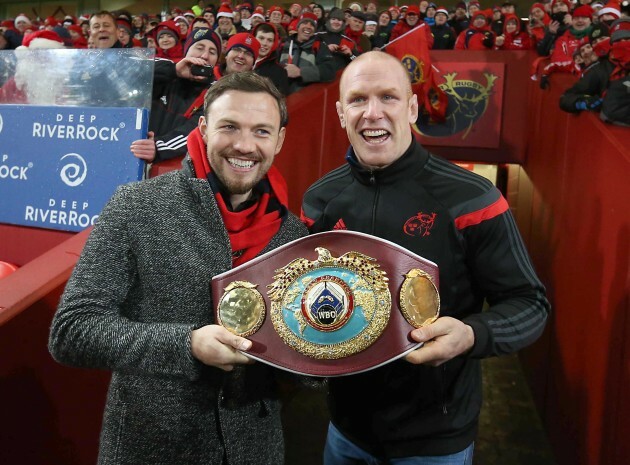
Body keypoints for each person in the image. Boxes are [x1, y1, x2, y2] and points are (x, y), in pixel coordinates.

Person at [301, 51, 549, 465]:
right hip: (345, 430)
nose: (373, 113)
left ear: (412, 108)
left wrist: (470, 334)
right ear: (342, 114)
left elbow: (531, 305)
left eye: (389, 97)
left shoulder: (473, 198)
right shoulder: (319, 198)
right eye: (359, 100)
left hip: (435, 441)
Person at [49, 71, 308, 465]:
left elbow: (297, 352)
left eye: (261, 131)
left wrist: (321, 358)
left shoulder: (291, 232)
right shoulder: (136, 205)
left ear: (280, 140)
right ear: (203, 129)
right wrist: (185, 346)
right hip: (149, 448)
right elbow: (72, 330)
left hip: (255, 449)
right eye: (229, 127)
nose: (244, 145)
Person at [131, 27, 222, 163]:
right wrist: (174, 71)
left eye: (212, 52)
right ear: (187, 50)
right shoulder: (168, 69)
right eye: (199, 47)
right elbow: (129, 71)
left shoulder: (216, 93)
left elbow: (195, 131)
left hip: (170, 167)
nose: (204, 56)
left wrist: (158, 147)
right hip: (133, 152)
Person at [279, 12, 336, 94]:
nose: (308, 27)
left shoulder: (319, 46)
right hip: (281, 96)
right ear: (298, 27)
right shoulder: (284, 45)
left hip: (305, 99)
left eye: (312, 25)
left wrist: (300, 72)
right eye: (305, 23)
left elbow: (329, 71)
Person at [253, 23, 290, 95]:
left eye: (269, 40)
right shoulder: (241, 61)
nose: (264, 43)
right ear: (254, 38)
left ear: (274, 43)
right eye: (261, 38)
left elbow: (280, 101)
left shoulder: (280, 72)